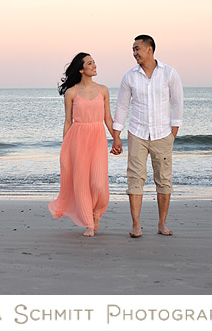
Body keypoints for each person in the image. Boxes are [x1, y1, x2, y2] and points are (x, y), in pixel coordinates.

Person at [112, 34, 183, 238]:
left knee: (163, 179)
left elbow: (177, 103)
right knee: (135, 178)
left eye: (137, 49)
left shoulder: (169, 73)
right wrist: (117, 135)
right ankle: (136, 225)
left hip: (162, 134)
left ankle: (162, 224)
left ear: (149, 49)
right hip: (137, 133)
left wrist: (173, 133)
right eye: (133, 49)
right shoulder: (130, 76)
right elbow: (123, 106)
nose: (134, 53)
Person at [48, 53, 117, 237]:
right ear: (81, 69)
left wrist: (116, 138)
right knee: (81, 183)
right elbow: (68, 122)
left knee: (98, 183)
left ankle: (96, 213)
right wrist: (65, 148)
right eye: (89, 63)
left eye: (94, 62)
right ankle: (88, 222)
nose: (94, 65)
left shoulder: (103, 90)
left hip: (97, 137)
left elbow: (108, 118)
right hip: (77, 139)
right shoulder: (72, 93)